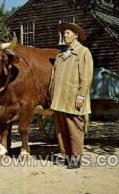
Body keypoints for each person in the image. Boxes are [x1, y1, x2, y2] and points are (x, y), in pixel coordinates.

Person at [50, 23, 93, 169]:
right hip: (59, 99)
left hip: (73, 99)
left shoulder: (83, 52)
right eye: (63, 33)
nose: (64, 35)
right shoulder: (61, 55)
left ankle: (76, 158)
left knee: (74, 129)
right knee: (61, 131)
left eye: (67, 32)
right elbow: (53, 78)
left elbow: (86, 77)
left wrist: (81, 96)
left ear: (76, 35)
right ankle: (67, 157)